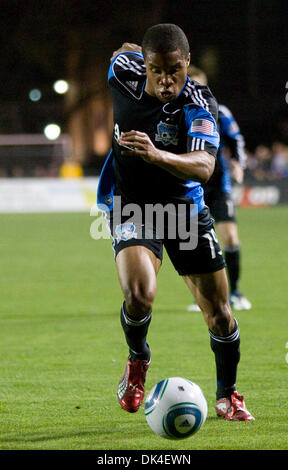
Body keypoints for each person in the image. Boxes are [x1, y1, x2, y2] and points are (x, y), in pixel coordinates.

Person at [97, 24, 254, 421]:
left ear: (187, 61)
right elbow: (122, 50)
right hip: (133, 205)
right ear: (145, 65)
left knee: (219, 312)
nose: (166, 80)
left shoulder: (200, 103)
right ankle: (137, 362)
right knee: (138, 294)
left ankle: (227, 394)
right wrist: (134, 50)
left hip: (184, 209)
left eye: (174, 70)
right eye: (156, 70)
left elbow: (204, 166)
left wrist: (157, 155)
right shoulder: (122, 71)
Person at [187, 66, 251, 312]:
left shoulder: (219, 111)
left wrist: (238, 163)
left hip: (219, 185)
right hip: (192, 187)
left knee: (230, 238)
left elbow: (236, 139)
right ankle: (202, 297)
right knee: (197, 245)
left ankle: (235, 292)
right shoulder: (178, 112)